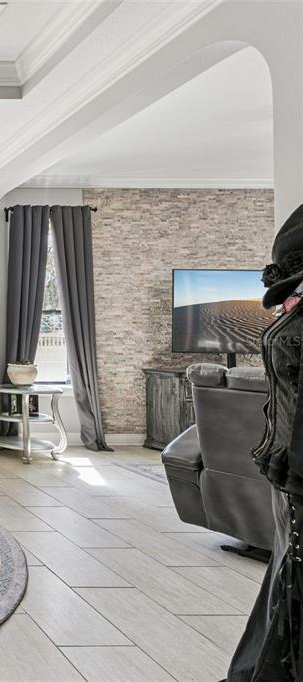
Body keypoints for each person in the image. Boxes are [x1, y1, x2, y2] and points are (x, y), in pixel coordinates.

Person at [229, 203, 303, 681]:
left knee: (287, 579)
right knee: (284, 577)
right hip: (289, 473)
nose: (286, 306)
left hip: (292, 473)